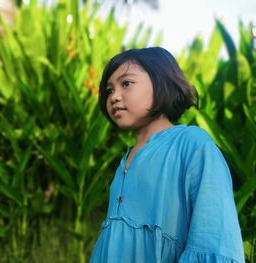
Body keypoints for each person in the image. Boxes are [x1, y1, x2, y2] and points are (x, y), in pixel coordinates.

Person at [89, 47, 245, 263]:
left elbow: (213, 236)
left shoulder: (192, 144)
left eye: (126, 84)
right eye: (109, 90)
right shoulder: (125, 161)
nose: (114, 97)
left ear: (161, 83)